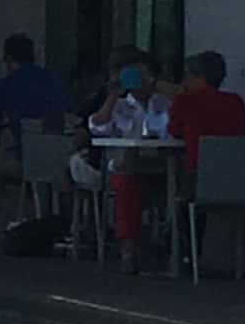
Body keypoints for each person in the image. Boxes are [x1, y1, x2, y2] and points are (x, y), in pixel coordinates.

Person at [70, 52, 171, 271]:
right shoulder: (121, 105)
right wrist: (113, 95)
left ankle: (170, 243)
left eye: (143, 75)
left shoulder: (164, 102)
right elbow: (97, 127)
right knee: (126, 184)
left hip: (161, 164)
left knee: (172, 186)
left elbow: (170, 129)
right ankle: (128, 249)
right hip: (125, 166)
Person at [164, 51, 245, 268]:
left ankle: (185, 256)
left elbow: (174, 132)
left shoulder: (185, 101)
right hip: (240, 181)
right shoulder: (236, 102)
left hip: (200, 178)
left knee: (181, 199)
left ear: (197, 76)